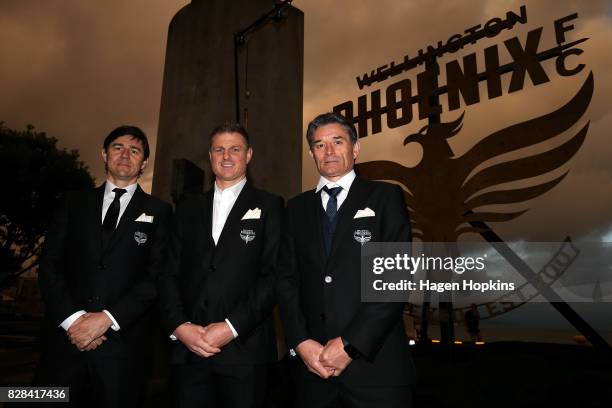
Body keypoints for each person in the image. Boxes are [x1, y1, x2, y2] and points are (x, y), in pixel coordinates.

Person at [277, 112, 416, 408]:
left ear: (355, 148)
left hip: (376, 370)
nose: (328, 151)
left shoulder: (385, 196)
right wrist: (300, 341)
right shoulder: (296, 207)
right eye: (319, 145)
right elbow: (286, 281)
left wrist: (350, 344)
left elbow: (395, 280)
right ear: (312, 153)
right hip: (313, 370)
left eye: (337, 142)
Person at [36, 125, 172, 407]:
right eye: (117, 147)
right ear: (104, 154)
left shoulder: (160, 211)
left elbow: (157, 275)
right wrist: (74, 321)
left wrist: (106, 319)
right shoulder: (72, 202)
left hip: (122, 351)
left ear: (144, 162)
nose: (125, 154)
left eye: (135, 150)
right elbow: (49, 265)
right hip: (64, 343)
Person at [157, 122, 283, 408]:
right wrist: (180, 326)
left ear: (248, 155)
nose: (227, 156)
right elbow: (167, 272)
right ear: (210, 156)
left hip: (245, 351)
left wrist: (231, 327)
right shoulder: (187, 208)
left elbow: (273, 275)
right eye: (219, 149)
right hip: (188, 350)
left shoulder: (271, 205)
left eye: (235, 149)